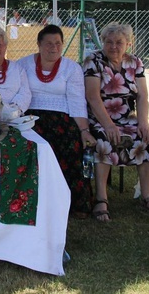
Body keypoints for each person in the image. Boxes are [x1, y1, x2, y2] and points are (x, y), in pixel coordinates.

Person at [83, 22, 149, 222]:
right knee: (104, 139)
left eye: (119, 42)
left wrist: (143, 122)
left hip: (128, 118)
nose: (113, 46)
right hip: (100, 117)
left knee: (145, 138)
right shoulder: (93, 60)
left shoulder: (135, 62)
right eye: (108, 42)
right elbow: (92, 97)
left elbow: (143, 96)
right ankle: (101, 198)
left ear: (128, 43)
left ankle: (147, 195)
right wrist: (109, 124)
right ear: (102, 42)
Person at [18, 25, 95, 218]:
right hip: (31, 117)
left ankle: (75, 204)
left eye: (58, 43)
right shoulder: (23, 64)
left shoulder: (71, 68)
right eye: (48, 44)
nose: (53, 48)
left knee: (71, 146)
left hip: (62, 117)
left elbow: (77, 101)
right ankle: (31, 201)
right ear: (38, 44)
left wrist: (84, 130)